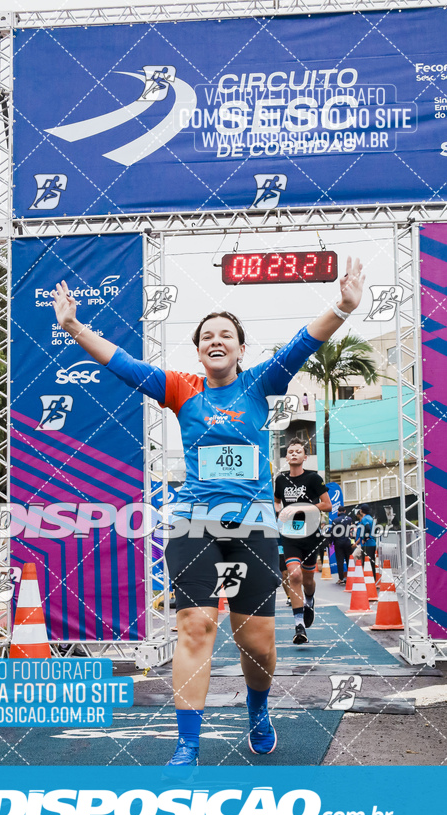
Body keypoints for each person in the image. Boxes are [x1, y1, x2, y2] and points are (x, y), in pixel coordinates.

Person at [51, 256, 365, 765]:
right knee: (196, 623)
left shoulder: (262, 382)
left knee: (256, 641)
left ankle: (257, 709)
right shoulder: (181, 388)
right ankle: (187, 745)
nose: (215, 341)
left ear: (240, 348)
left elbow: (304, 341)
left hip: (254, 522)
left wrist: (344, 306)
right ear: (198, 352)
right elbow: (123, 364)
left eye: (225, 335)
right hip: (193, 519)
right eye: (206, 337)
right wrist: (73, 326)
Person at [274, 439, 332, 645]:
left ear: (305, 457)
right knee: (294, 575)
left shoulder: (313, 478)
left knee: (308, 580)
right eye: (290, 451)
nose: (294, 454)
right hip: (290, 536)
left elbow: (327, 505)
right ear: (286, 457)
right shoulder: (280, 480)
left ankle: (309, 601)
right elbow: (277, 500)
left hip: (310, 536)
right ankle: (299, 625)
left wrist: (303, 508)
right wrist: (279, 511)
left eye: (298, 451)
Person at [330, 505, 353, 584]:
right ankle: (350, 577)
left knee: (340, 561)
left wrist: (330, 542)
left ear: (338, 512)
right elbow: (351, 530)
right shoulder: (349, 519)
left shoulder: (335, 520)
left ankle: (341, 578)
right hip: (347, 542)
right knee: (349, 560)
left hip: (338, 543)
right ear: (345, 511)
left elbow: (332, 532)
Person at [356, 504, 376, 581]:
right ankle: (372, 579)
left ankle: (368, 579)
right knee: (371, 562)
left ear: (361, 511)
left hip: (367, 544)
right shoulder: (370, 518)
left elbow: (367, 528)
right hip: (372, 542)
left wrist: (365, 538)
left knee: (367, 562)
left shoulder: (364, 519)